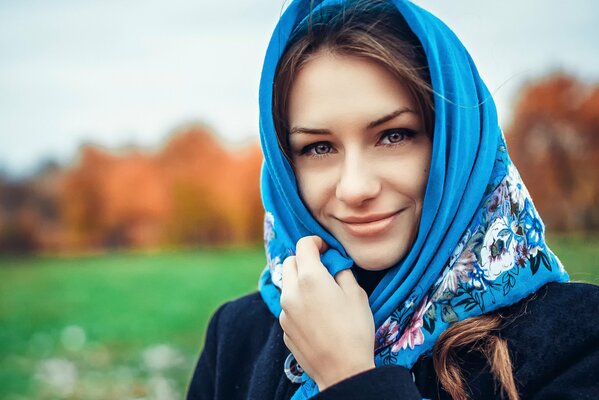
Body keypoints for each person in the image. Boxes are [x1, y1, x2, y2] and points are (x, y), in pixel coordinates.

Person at [187, 0, 599, 399]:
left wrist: (349, 376)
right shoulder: (238, 337)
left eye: (394, 136)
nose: (355, 188)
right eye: (318, 147)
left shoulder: (577, 339)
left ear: (456, 145)